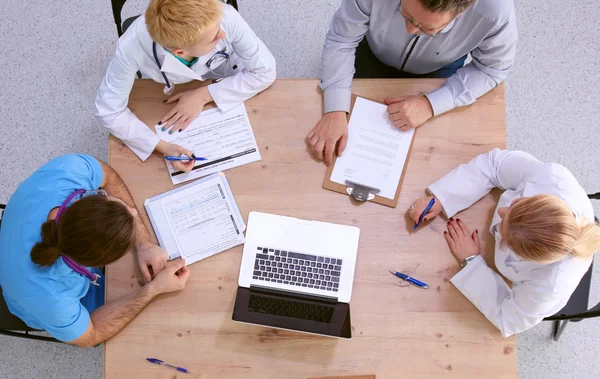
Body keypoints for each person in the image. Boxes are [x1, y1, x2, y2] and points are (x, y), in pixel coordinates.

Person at [0, 155, 190, 347]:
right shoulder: (54, 300)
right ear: (94, 264)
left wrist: (143, 241)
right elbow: (92, 334)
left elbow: (107, 175)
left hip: (13, 240)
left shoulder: (67, 171)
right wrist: (153, 289)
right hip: (27, 298)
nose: (133, 211)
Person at [407, 149, 600, 337]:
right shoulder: (553, 179)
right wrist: (443, 197)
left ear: (523, 256)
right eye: (515, 204)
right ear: (539, 198)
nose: (501, 212)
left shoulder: (550, 287)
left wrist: (471, 261)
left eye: (505, 235)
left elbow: (508, 317)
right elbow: (495, 165)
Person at [307, 0, 518, 166]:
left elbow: (491, 69)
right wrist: (334, 109)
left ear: (461, 13)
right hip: (370, 51)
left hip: (438, 70)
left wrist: (431, 104)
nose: (409, 29)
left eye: (426, 28)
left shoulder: (496, 12)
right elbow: (342, 40)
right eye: (405, 14)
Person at [96, 0, 276, 173]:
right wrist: (162, 146)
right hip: (165, 96)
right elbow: (109, 111)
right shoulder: (130, 48)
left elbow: (265, 71)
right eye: (214, 38)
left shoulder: (224, 16)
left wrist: (204, 95)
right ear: (180, 52)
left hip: (228, 78)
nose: (222, 35)